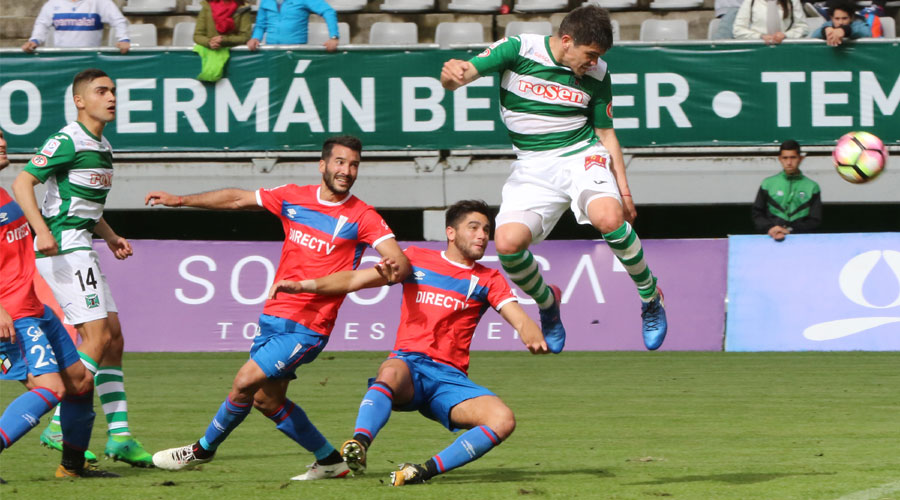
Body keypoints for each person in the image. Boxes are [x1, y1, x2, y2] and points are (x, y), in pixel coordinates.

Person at [146, 136, 410, 481]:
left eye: (354, 164)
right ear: (323, 165)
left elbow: (399, 263)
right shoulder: (293, 196)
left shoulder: (362, 216)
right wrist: (181, 200)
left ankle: (201, 450)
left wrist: (383, 271)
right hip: (274, 316)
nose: (347, 171)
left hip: (309, 326)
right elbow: (238, 199)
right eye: (340, 162)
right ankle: (329, 460)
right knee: (266, 400)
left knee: (244, 381)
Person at [267, 199, 550, 486]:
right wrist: (304, 285)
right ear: (451, 232)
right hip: (409, 367)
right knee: (390, 370)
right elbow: (355, 279)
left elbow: (517, 316)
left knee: (503, 420)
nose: (482, 236)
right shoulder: (414, 259)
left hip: (449, 382)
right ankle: (359, 444)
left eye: (487, 230)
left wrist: (530, 330)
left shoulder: (489, 279)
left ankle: (420, 472)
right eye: (474, 227)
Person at [439, 5, 668, 352]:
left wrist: (625, 192)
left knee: (610, 219)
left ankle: (651, 297)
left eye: (598, 57)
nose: (594, 62)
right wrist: (450, 75)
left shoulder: (598, 73)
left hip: (581, 155)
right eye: (590, 54)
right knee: (507, 245)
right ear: (567, 40)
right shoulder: (518, 50)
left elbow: (606, 134)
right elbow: (458, 77)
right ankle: (548, 303)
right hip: (532, 165)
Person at [11, 69, 153, 467]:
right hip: (65, 250)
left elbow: (85, 205)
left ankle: (120, 435)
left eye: (113, 91)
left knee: (114, 338)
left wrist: (110, 235)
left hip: (83, 247)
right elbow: (22, 182)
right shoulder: (67, 140)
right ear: (79, 101)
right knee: (96, 335)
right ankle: (59, 425)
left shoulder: (103, 146)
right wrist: (41, 230)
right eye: (101, 91)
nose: (111, 97)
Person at [1, 129, 118, 479]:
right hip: (11, 316)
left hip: (34, 308)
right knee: (52, 389)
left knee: (80, 382)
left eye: (2, 137)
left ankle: (72, 467)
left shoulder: (3, 195)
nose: (2, 143)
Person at [752, 140, 822, 241]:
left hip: (801, 241)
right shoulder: (767, 184)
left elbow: (815, 220)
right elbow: (757, 214)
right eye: (785, 158)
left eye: (793, 157)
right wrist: (770, 228)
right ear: (780, 159)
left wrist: (790, 230)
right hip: (770, 240)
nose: (789, 162)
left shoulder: (812, 187)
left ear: (800, 158)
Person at [22, 0, 130, 54]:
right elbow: (42, 24)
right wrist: (34, 40)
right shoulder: (52, 3)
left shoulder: (100, 2)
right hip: (62, 58)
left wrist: (123, 39)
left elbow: (118, 20)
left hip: (91, 58)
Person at [247, 0, 340, 53]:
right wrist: (255, 38)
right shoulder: (265, 1)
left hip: (296, 53)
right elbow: (260, 24)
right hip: (271, 52)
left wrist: (334, 37)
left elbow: (328, 11)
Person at [733, 0, 809, 43]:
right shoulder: (750, 2)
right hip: (757, 50)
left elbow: (803, 28)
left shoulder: (792, 1)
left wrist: (786, 35)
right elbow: (738, 30)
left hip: (786, 50)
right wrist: (760, 37)